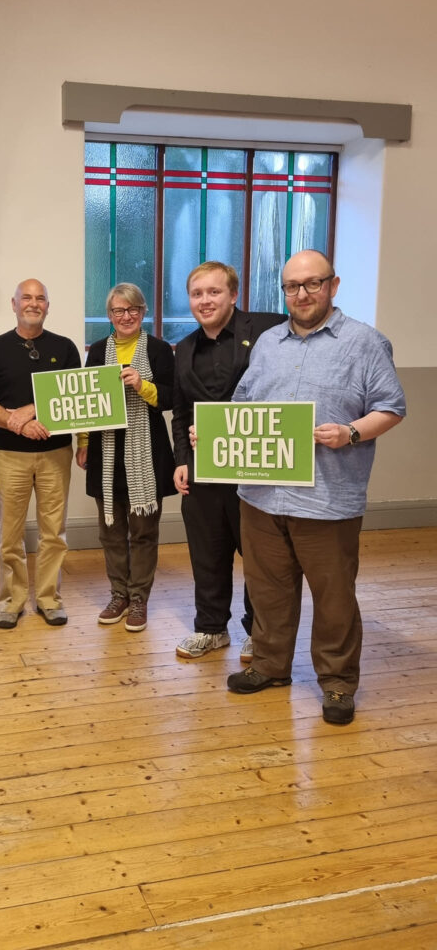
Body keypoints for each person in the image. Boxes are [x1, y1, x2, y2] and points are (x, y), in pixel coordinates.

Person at [226, 249, 406, 725]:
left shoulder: (366, 343)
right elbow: (244, 403)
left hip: (327, 499)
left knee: (334, 599)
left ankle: (338, 684)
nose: (301, 294)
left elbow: (391, 407)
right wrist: (217, 431)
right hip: (261, 496)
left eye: (311, 284)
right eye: (291, 286)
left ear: (333, 284)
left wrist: (350, 432)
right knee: (267, 590)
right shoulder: (266, 343)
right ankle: (269, 665)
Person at [172, 262, 285, 661]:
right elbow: (182, 412)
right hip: (203, 469)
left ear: (233, 295)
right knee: (207, 551)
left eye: (213, 292)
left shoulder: (270, 331)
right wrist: (181, 460)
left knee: (258, 555)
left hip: (254, 467)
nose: (205, 300)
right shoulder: (183, 348)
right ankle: (211, 628)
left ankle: (259, 631)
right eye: (197, 293)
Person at [0, 279, 80, 629]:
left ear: (48, 306)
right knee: (10, 533)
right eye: (26, 298)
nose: (33, 303)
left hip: (56, 453)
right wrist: (18, 424)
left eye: (40, 298)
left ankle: (49, 599)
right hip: (10, 455)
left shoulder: (65, 349)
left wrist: (33, 409)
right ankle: (11, 601)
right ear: (14, 304)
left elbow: (75, 398)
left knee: (54, 532)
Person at [77, 283, 175, 633]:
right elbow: (86, 400)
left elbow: (171, 398)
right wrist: (83, 440)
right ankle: (118, 593)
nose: (126, 316)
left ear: (143, 312)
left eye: (133, 310)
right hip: (105, 451)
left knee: (143, 531)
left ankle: (138, 599)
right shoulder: (99, 349)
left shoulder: (160, 350)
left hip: (146, 452)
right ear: (110, 316)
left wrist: (142, 385)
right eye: (119, 311)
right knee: (111, 531)